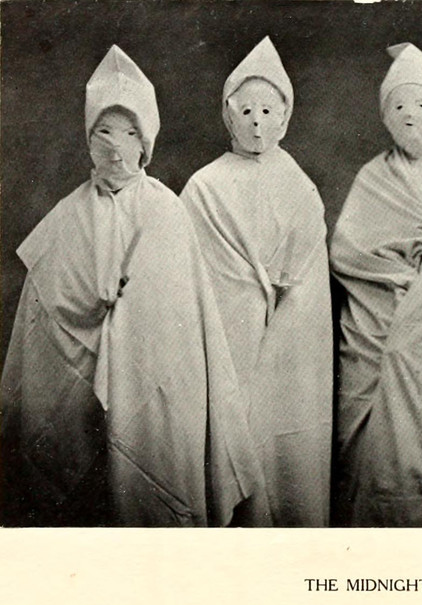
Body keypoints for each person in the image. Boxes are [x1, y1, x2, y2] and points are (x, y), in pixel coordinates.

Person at [0, 45, 267, 527]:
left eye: (129, 133)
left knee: (157, 468)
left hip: (155, 385)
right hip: (79, 402)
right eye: (104, 131)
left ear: (146, 142)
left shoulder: (167, 212)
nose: (116, 148)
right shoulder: (67, 216)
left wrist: (127, 319)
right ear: (88, 138)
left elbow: (179, 323)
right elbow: (41, 323)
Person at [180, 36, 332, 527]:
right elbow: (191, 268)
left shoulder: (299, 185)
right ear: (230, 116)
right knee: (231, 428)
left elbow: (308, 276)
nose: (257, 123)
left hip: (288, 339)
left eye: (267, 112)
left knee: (282, 441)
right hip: (226, 330)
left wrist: (281, 303)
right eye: (247, 111)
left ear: (284, 117)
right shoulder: (204, 187)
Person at [329, 43, 422, 526]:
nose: (409, 114)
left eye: (421, 104)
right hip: (371, 328)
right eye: (397, 105)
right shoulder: (371, 177)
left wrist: (416, 298)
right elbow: (347, 252)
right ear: (385, 118)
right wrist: (397, 276)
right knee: (363, 457)